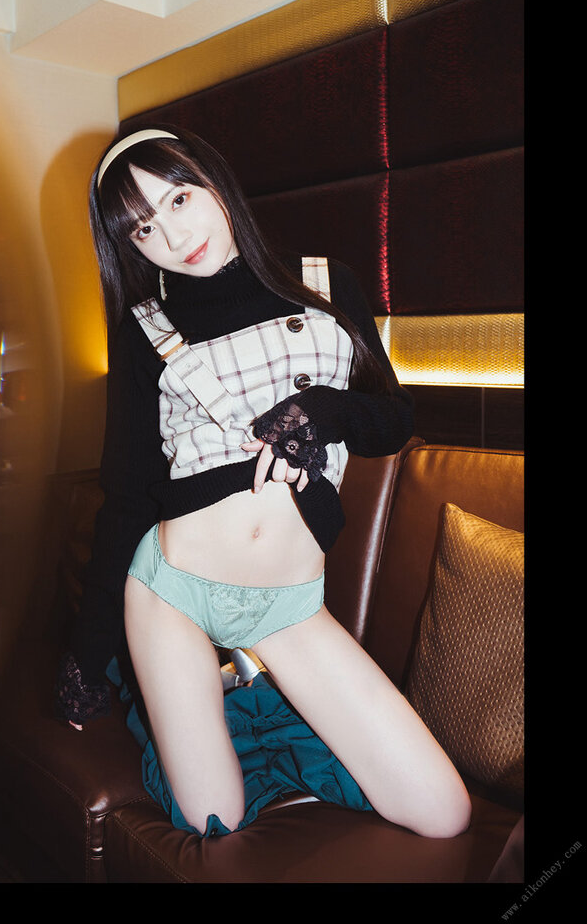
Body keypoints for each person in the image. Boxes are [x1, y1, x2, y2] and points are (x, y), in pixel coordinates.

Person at [56, 126, 471, 839]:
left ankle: (243, 694)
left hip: (287, 604)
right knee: (214, 817)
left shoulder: (325, 283)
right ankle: (197, 696)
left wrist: (324, 411)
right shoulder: (143, 329)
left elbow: (393, 420)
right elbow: (124, 499)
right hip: (171, 593)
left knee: (444, 813)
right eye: (143, 229)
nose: (173, 236)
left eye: (179, 199)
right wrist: (87, 656)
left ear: (213, 182)